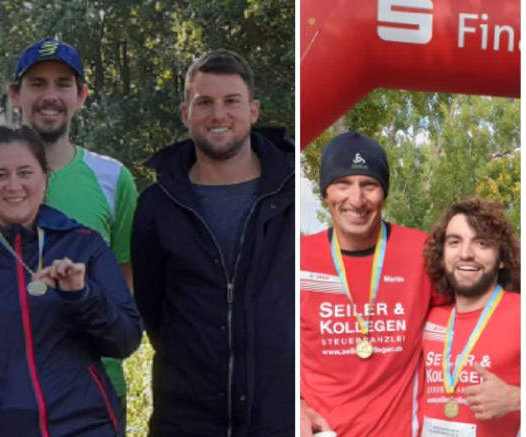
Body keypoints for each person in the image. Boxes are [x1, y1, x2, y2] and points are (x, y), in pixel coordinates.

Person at [0, 125, 142, 436]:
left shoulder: (84, 245)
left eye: (25, 172)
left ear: (44, 178)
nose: (14, 186)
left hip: (86, 427)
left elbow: (126, 339)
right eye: (0, 175)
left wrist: (83, 295)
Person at [0, 37, 139, 408]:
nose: (50, 95)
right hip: (6, 391)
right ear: (15, 95)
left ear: (82, 95)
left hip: (95, 387)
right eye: (37, 84)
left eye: (63, 84)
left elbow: (125, 279)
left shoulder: (113, 178)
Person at [132, 49, 294, 436]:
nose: (218, 115)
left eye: (231, 102)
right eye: (204, 102)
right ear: (186, 113)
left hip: (277, 419)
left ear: (252, 111)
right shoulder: (157, 205)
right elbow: (153, 310)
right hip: (186, 421)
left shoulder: (290, 195)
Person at [300, 131, 441, 436]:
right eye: (343, 184)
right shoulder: (297, 258)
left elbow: (471, 319)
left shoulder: (423, 252)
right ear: (326, 192)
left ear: (384, 192)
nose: (357, 200)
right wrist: (294, 403)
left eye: (369, 185)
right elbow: (267, 346)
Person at [419, 198, 519, 436]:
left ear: (502, 257)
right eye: (455, 242)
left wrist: (516, 398)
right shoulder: (430, 316)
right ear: (442, 255)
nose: (466, 253)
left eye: (481, 243)